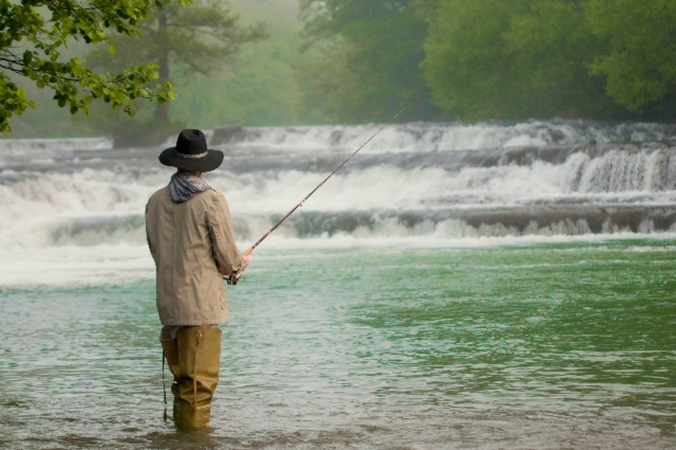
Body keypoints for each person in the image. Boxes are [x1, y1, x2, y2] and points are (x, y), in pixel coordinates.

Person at [145, 129, 249, 427]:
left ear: (176, 162)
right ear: (205, 165)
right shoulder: (212, 200)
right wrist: (241, 264)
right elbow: (229, 260)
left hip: (169, 305)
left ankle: (181, 441)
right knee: (198, 388)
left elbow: (159, 252)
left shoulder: (155, 201)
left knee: (183, 386)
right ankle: (194, 443)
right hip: (200, 305)